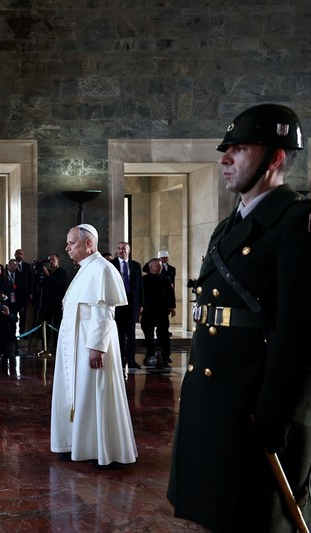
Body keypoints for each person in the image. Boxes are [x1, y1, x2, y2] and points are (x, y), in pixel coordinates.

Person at [168, 104, 311, 532]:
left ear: (276, 157)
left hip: (255, 403)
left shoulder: (297, 222)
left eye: (239, 148)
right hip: (217, 400)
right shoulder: (228, 227)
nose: (224, 158)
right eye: (225, 149)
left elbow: (300, 332)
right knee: (219, 512)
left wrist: (277, 412)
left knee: (254, 518)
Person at [50, 224, 137, 468]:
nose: (67, 248)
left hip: (91, 345)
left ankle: (101, 449)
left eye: (71, 243)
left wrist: (97, 346)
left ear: (88, 243)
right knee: (76, 394)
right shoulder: (84, 269)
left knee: (94, 393)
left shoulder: (102, 269)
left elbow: (104, 311)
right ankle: (75, 443)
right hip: (75, 344)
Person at [111, 241, 144, 368]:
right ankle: (119, 358)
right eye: (119, 248)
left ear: (128, 251)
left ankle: (131, 359)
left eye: (124, 248)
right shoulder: (111, 264)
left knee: (131, 334)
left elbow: (139, 286)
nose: (121, 251)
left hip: (131, 303)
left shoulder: (135, 265)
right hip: (117, 303)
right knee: (118, 333)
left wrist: (141, 303)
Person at [140, 258, 175, 367]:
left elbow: (170, 294)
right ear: (151, 267)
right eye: (157, 265)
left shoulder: (166, 279)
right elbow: (141, 295)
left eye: (160, 265)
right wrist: (140, 307)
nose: (160, 267)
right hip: (148, 310)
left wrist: (172, 307)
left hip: (162, 311)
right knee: (148, 334)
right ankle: (150, 354)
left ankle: (165, 355)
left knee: (164, 334)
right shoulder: (144, 279)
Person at [37, 253, 68, 350]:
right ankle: (45, 345)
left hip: (57, 303)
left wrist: (48, 275)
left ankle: (56, 346)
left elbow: (57, 283)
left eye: (53, 260)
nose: (51, 262)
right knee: (45, 324)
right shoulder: (49, 271)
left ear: (58, 261)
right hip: (46, 303)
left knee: (56, 324)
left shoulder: (61, 272)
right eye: (49, 260)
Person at [13, 249, 35, 336]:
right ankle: (13, 334)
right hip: (14, 294)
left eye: (21, 254)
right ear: (15, 254)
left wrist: (31, 292)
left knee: (23, 315)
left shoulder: (27, 266)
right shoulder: (11, 265)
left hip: (24, 294)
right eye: (17, 254)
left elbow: (31, 280)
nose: (19, 255)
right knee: (13, 315)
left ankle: (22, 334)